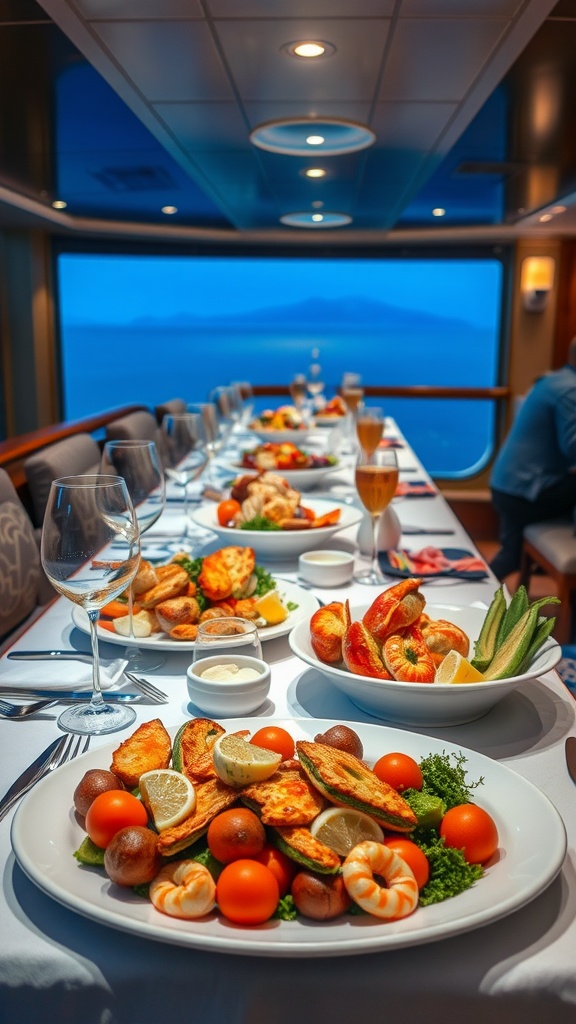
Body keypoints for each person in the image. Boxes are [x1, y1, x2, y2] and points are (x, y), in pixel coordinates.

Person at [489, 336, 576, 581]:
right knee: (510, 555)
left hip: (508, 485)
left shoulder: (553, 380)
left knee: (510, 555)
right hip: (526, 492)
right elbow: (572, 447)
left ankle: (480, 602)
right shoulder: (571, 389)